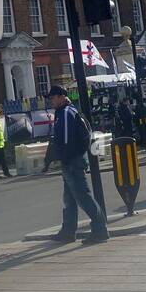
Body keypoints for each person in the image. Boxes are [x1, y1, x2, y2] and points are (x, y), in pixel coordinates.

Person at [42, 85, 109, 244]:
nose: (51, 101)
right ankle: (68, 231)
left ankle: (100, 229)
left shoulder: (65, 114)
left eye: (52, 98)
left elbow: (65, 141)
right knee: (70, 199)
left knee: (83, 196)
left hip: (72, 161)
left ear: (61, 97)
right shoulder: (71, 111)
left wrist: (63, 159)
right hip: (75, 159)